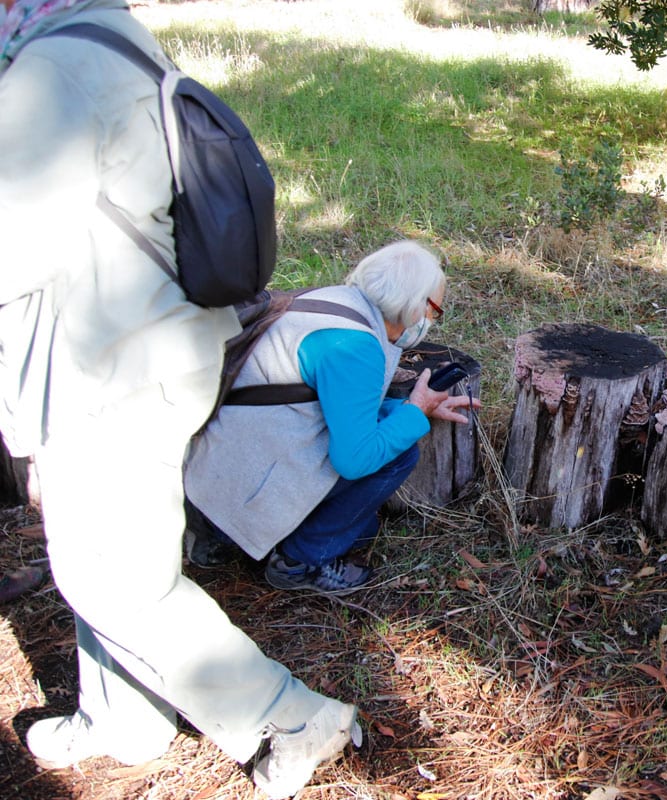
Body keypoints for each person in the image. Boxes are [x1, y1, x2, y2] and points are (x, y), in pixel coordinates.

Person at [0, 1, 361, 795]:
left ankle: (290, 717)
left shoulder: (48, 70)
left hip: (106, 367)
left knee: (114, 579)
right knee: (117, 553)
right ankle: (120, 721)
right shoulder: (109, 38)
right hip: (158, 348)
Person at [184, 240, 478, 594]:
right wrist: (415, 412)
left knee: (362, 524)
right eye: (434, 310)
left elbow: (337, 409)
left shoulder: (336, 304)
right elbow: (355, 459)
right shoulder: (355, 347)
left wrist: (414, 409)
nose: (431, 320)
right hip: (243, 487)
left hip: (215, 473)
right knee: (398, 456)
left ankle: (219, 534)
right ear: (413, 303)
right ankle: (299, 561)